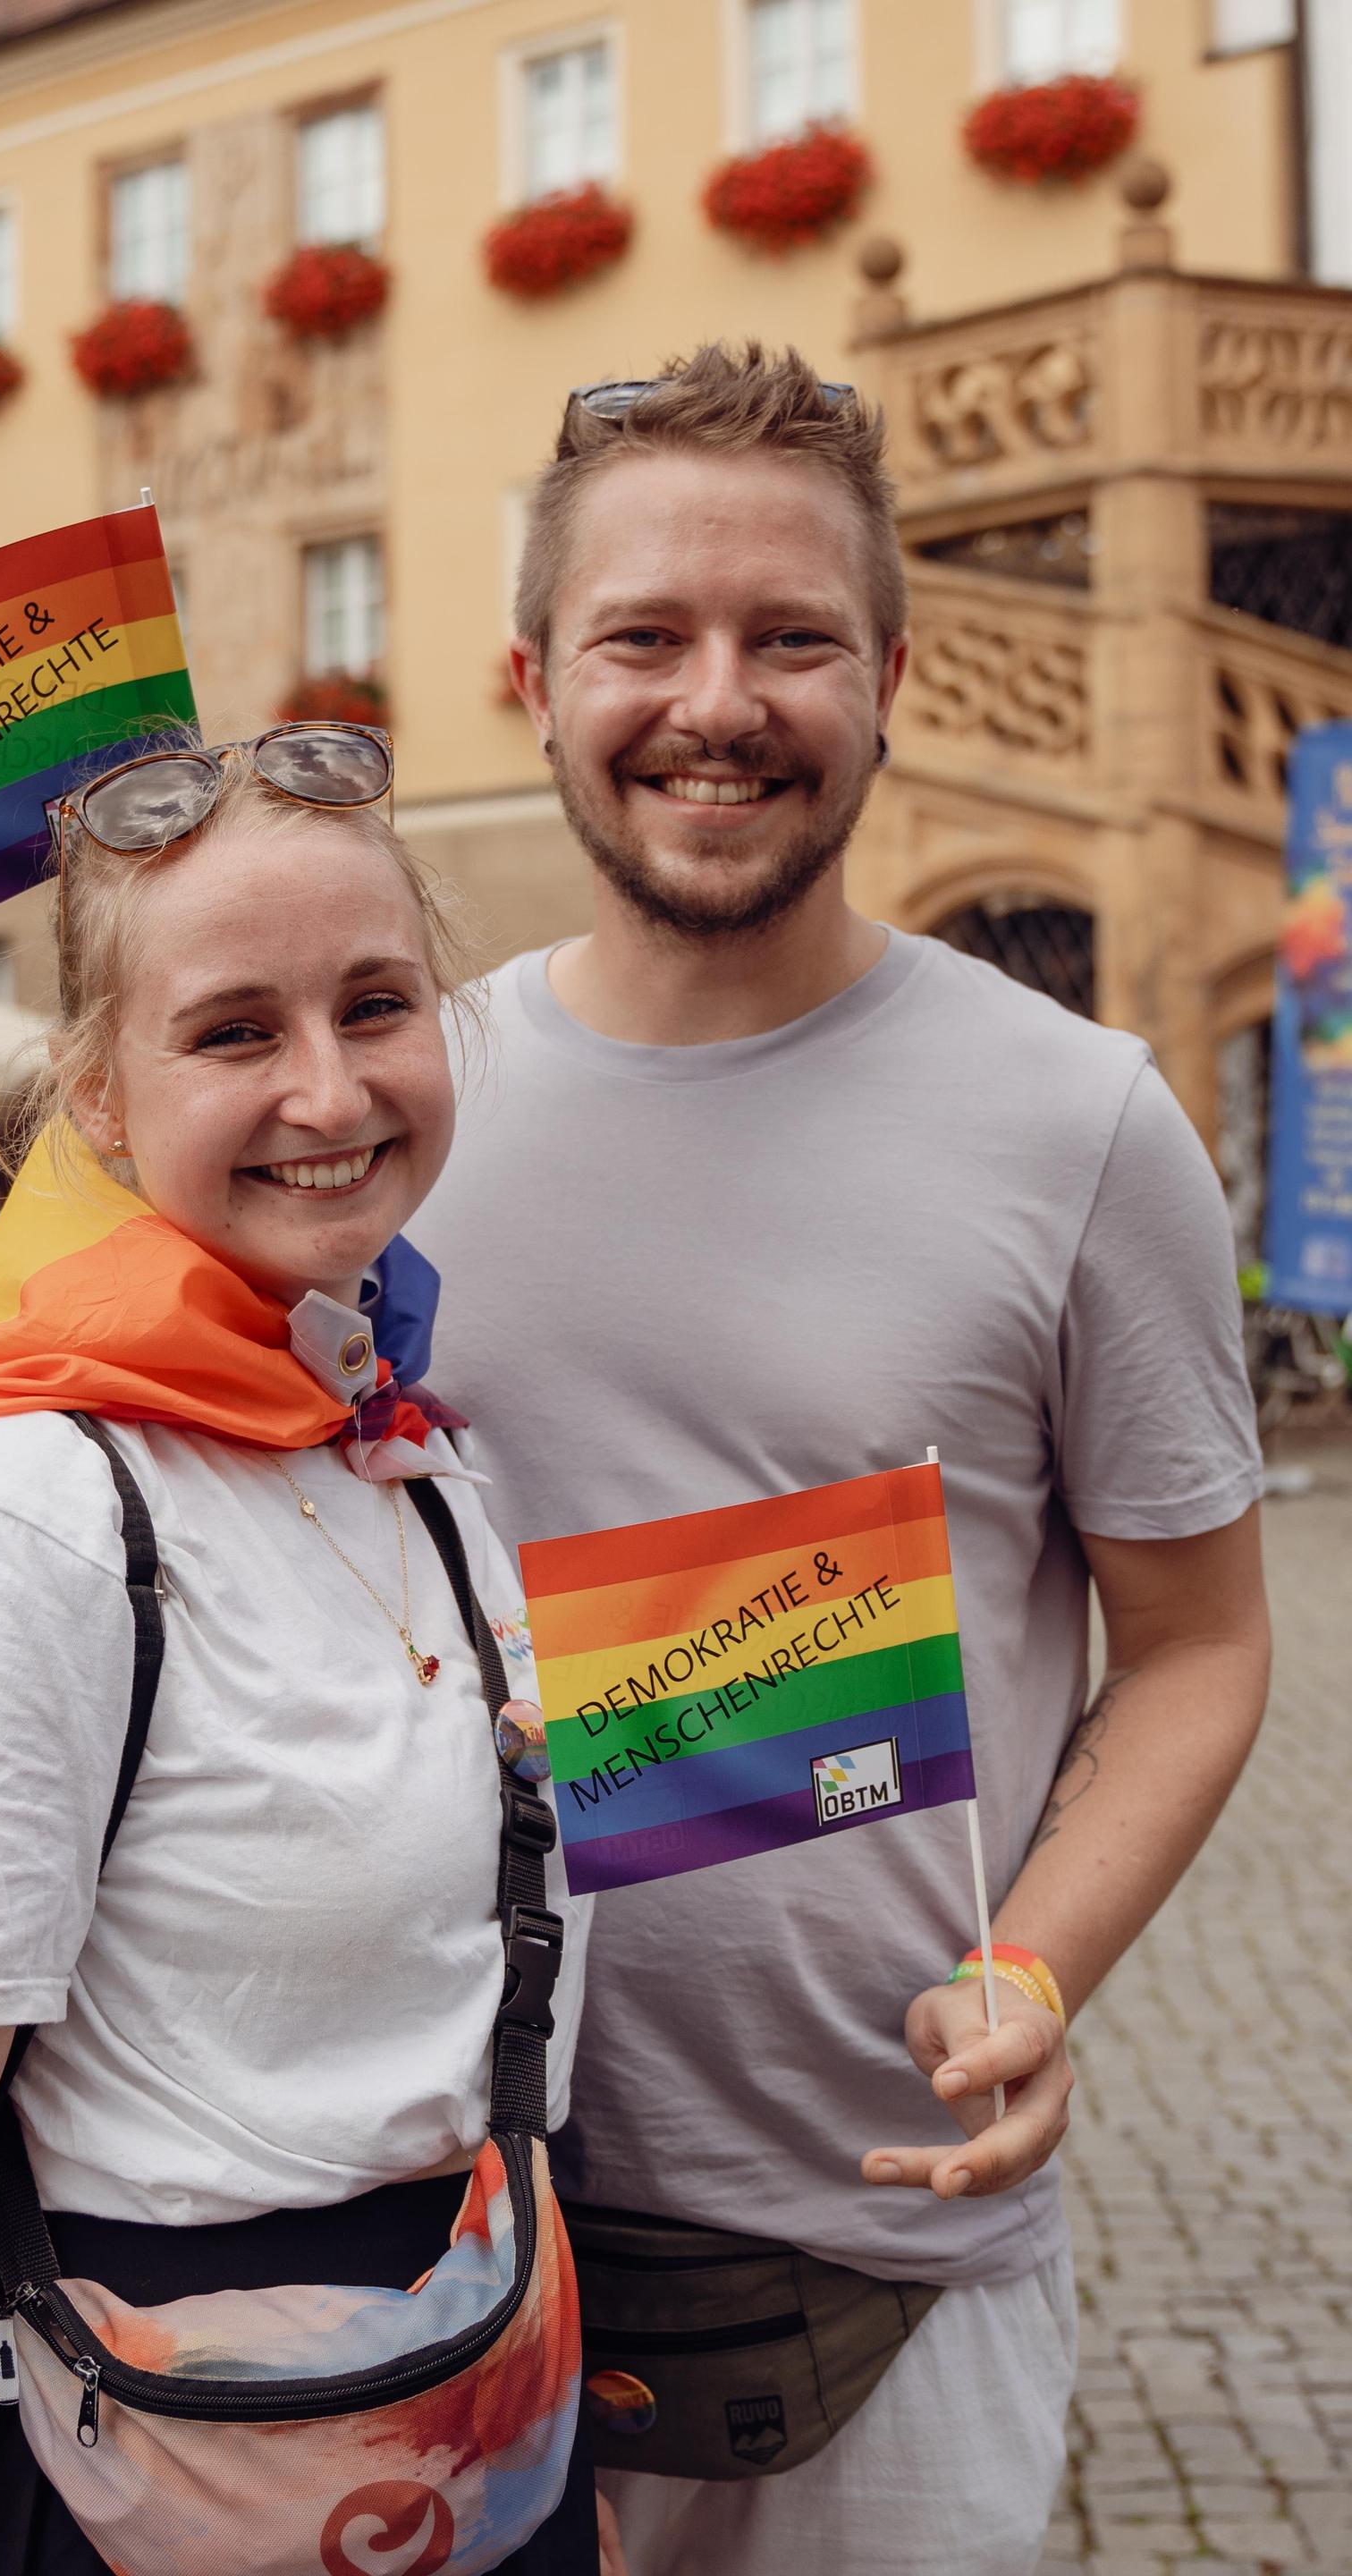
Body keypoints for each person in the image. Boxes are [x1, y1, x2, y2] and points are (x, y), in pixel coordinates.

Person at [409, 345, 1271, 2576]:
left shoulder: (1078, 1121)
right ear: (530, 678)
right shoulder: (404, 1114)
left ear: (888, 677)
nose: (718, 699)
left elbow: (1192, 1644)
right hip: (437, 2226)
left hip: (890, 2256)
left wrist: (1037, 1968)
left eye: (789, 636)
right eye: (644, 636)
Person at [0, 733, 596, 2573]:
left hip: (481, 2422)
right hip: (164, 2456)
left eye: (376, 1004)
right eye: (233, 1032)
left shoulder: (419, 1459)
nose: (328, 1087)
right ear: (102, 1099)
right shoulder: (30, 1513)